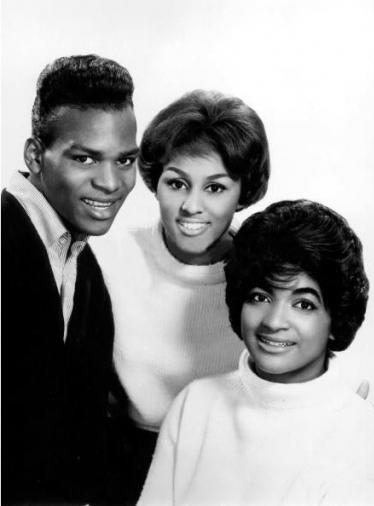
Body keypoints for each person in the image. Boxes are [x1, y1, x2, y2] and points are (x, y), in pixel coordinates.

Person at [138, 199, 374, 505]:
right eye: (260, 296)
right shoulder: (196, 403)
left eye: (304, 304)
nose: (274, 321)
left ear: (336, 319)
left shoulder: (365, 435)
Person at [90, 89, 270, 502]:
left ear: (243, 191)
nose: (192, 206)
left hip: (236, 476)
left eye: (215, 188)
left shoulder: (265, 277)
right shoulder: (109, 258)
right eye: (177, 183)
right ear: (155, 182)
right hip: (125, 470)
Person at [1, 54, 138, 506]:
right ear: (35, 156)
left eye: (125, 160)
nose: (110, 182)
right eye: (85, 158)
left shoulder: (84, 263)